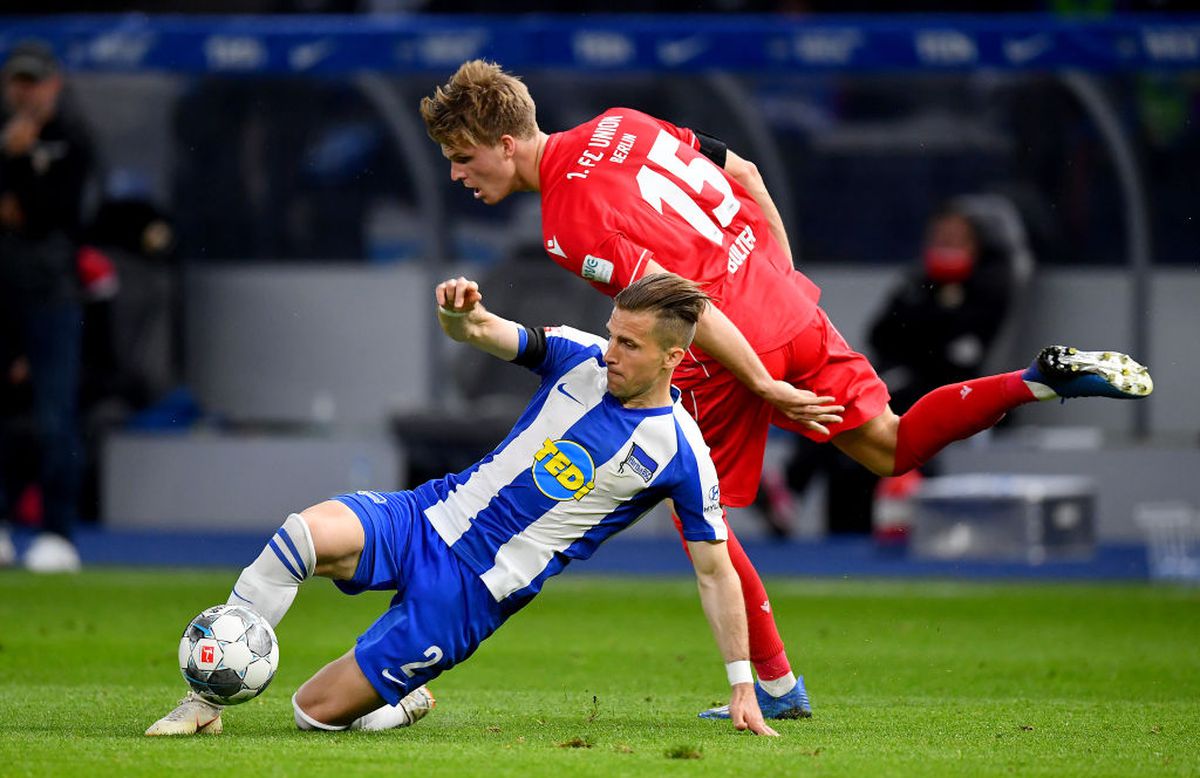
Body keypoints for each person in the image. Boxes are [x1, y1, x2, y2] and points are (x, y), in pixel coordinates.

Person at [418, 60, 1154, 718]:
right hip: (780, 294)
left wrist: (764, 380)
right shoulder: (624, 123)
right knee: (890, 446)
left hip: (727, 341)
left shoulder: (567, 223)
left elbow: (687, 310)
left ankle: (775, 687)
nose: (458, 174)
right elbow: (743, 173)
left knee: (690, 501)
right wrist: (778, 279)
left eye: (462, 157)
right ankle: (1036, 382)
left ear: (505, 142)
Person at [147, 272, 778, 738]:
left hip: (470, 593)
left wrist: (742, 685)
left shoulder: (679, 452)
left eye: (630, 346)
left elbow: (715, 569)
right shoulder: (578, 356)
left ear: (674, 356)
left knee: (312, 714)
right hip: (427, 515)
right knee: (302, 535)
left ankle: (404, 698)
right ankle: (202, 702)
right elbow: (480, 330)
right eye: (612, 334)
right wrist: (458, 314)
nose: (611, 352)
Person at [764, 195, 1031, 537]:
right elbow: (882, 332)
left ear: (977, 244)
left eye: (955, 239)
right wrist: (933, 317)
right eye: (940, 238)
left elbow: (953, 355)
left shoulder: (988, 288)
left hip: (941, 387)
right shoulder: (919, 282)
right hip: (897, 379)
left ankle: (794, 485)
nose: (945, 246)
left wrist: (925, 324)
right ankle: (792, 487)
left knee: (873, 396)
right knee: (837, 395)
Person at [0, 40, 96, 573]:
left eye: (34, 81)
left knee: (55, 418)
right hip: (5, 297)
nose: (26, 92)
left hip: (52, 297)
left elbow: (51, 214)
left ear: (53, 84)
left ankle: (58, 532)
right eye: (18, 81)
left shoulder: (72, 139)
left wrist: (19, 170)